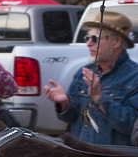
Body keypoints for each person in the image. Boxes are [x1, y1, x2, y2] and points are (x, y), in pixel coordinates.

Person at [41, 13, 138, 146]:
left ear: (117, 41)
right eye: (87, 37)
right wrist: (65, 103)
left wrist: (99, 97)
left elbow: (130, 125)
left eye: (95, 38)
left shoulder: (134, 77)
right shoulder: (83, 73)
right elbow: (70, 118)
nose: (88, 43)